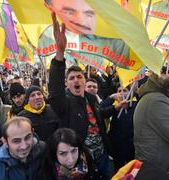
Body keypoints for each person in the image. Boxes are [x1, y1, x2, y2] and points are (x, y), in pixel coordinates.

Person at [48, 13, 116, 179]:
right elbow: (55, 93)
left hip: (103, 156)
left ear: (85, 80)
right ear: (67, 83)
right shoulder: (64, 103)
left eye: (79, 77)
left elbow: (98, 116)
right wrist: (59, 52)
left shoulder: (91, 98)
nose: (76, 80)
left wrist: (115, 107)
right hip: (83, 162)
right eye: (71, 78)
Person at [134, 73, 169, 177]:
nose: (168, 75)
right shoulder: (156, 101)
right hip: (160, 168)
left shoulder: (156, 98)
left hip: (158, 166)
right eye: (163, 73)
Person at [37, 128, 102, 180]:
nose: (71, 160)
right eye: (63, 154)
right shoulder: (47, 172)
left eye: (74, 151)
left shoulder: (88, 159)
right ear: (54, 154)